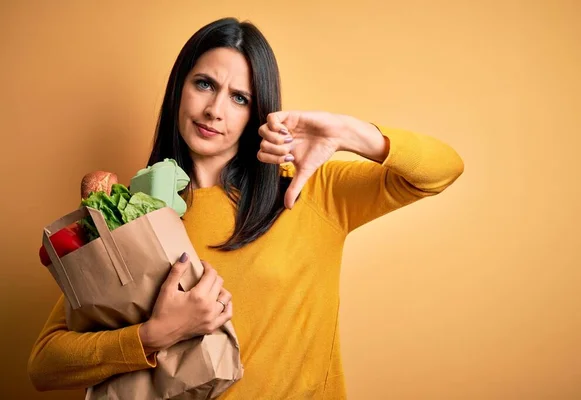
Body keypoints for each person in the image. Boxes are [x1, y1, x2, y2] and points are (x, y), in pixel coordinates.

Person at [28, 17, 464, 399]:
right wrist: (154, 335)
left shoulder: (310, 191)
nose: (215, 110)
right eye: (204, 84)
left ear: (260, 111)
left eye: (240, 98)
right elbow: (45, 364)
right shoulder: (136, 219)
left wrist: (344, 131)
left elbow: (442, 170)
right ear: (179, 89)